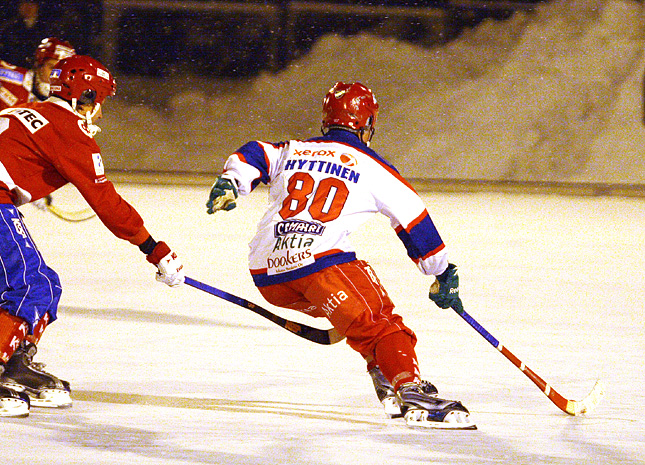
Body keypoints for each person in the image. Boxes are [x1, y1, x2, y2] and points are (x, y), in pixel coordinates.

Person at [205, 81, 475, 429]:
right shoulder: (373, 166)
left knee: (358, 318)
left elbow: (255, 153)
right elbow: (415, 219)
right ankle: (409, 390)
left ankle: (384, 370)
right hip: (318, 264)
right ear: (368, 125)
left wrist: (232, 181)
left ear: (326, 121)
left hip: (268, 274)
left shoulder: (294, 150)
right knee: (381, 324)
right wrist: (440, 271)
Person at [0, 55, 185, 418]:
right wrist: (155, 249)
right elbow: (107, 203)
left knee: (36, 284)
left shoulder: (25, 110)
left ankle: (14, 361)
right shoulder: (67, 128)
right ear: (85, 96)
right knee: (33, 285)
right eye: (99, 101)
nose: (100, 113)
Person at [0, 1, 48, 68]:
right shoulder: (9, 27)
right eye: (24, 4)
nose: (28, 8)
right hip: (12, 69)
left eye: (32, 4)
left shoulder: (46, 27)